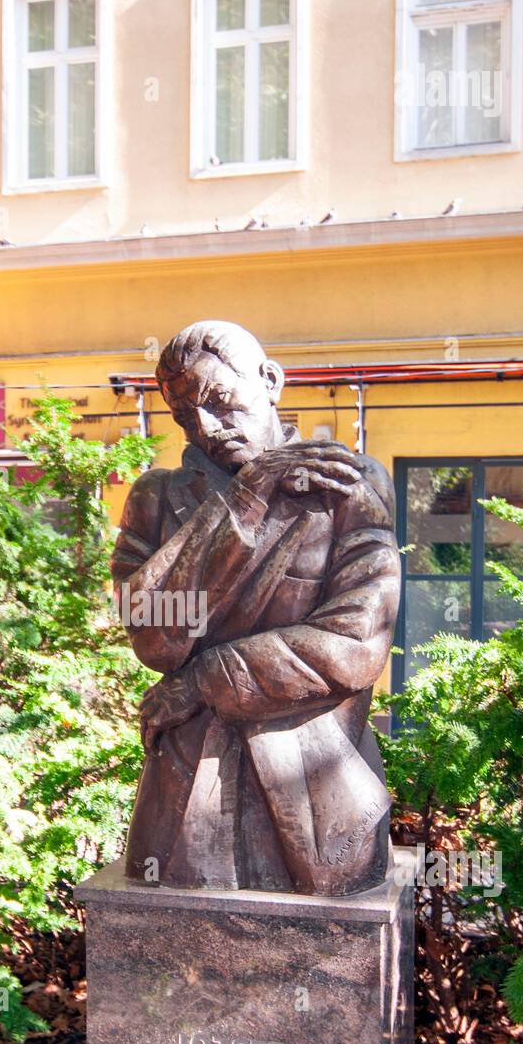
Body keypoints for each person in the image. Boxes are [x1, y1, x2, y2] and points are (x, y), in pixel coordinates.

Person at [112, 320, 400, 896]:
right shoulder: (157, 497)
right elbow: (154, 637)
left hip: (316, 783)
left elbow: (355, 642)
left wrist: (200, 681)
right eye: (186, 415)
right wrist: (246, 500)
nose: (207, 429)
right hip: (185, 789)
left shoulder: (346, 483)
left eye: (220, 402)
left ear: (270, 380)